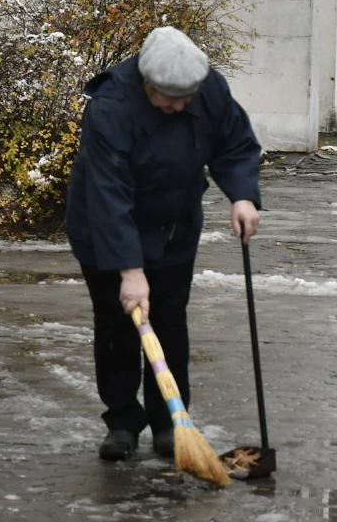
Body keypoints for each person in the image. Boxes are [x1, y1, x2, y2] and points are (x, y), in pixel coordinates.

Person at [66, 26, 262, 461]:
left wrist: (243, 195)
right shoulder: (112, 106)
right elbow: (109, 193)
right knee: (118, 324)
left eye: (187, 97)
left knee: (169, 320)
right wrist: (129, 272)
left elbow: (234, 143)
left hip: (173, 225)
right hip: (104, 226)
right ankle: (121, 421)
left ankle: (169, 421)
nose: (181, 105)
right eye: (170, 98)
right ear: (146, 85)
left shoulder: (205, 86)